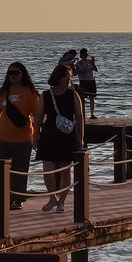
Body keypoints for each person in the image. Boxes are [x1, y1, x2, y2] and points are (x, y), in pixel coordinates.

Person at [0, 62, 42, 210]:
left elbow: (37, 116)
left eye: (16, 73)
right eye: (10, 73)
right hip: (4, 138)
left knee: (20, 170)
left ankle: (18, 199)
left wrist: (37, 137)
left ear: (22, 74)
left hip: (23, 139)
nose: (12, 76)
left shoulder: (30, 93)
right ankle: (1, 197)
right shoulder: (3, 92)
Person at [35, 64, 84, 213]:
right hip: (49, 135)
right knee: (48, 169)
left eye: (69, 77)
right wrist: (35, 135)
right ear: (58, 77)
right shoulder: (45, 95)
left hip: (66, 136)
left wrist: (80, 138)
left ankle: (61, 202)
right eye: (66, 77)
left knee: (64, 170)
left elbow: (80, 117)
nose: (68, 80)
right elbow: (38, 117)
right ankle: (52, 198)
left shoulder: (73, 95)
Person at [74, 48, 99, 119]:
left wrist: (93, 63)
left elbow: (96, 70)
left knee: (92, 98)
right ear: (81, 56)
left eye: (86, 55)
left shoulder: (90, 62)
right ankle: (82, 114)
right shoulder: (79, 64)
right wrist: (87, 65)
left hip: (91, 81)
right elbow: (82, 72)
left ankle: (92, 114)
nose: (86, 56)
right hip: (83, 81)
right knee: (82, 99)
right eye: (84, 55)